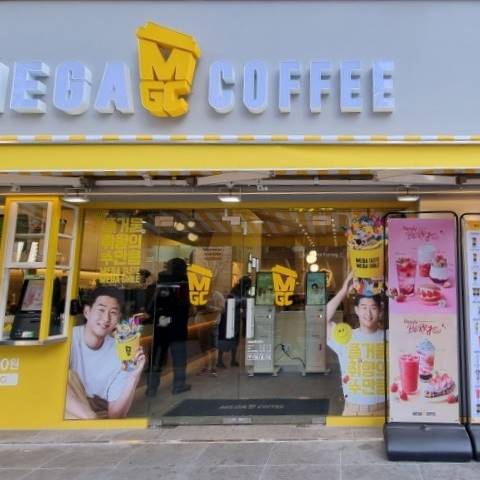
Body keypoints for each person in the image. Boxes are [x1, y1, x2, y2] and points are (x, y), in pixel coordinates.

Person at [66, 286, 145, 419]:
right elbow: (51, 385)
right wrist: (90, 418)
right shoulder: (67, 340)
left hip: (97, 421)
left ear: (118, 318)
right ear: (87, 312)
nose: (106, 318)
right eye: (101, 310)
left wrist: (134, 376)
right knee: (64, 375)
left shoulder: (121, 353)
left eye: (113, 312)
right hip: (69, 417)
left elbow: (115, 415)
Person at [326, 272, 385, 416]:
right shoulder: (346, 337)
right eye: (364, 307)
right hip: (352, 412)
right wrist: (343, 291)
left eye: (373, 308)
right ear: (356, 310)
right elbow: (320, 319)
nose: (368, 313)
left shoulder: (389, 337)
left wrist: (392, 287)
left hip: (385, 412)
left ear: (380, 312)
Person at [146, 258, 191, 397]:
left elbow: (153, 302)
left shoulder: (161, 279)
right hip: (177, 325)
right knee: (179, 356)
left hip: (161, 324)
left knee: (157, 357)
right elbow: (183, 303)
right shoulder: (182, 280)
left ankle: (151, 388)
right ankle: (178, 385)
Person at [217, 276, 252, 368]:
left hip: (236, 319)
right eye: (248, 285)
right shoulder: (234, 292)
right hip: (229, 319)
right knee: (226, 340)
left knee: (235, 340)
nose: (249, 287)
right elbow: (230, 304)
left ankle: (233, 360)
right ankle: (219, 360)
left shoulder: (243, 292)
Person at [195, 289, 225, 376]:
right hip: (202, 324)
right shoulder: (201, 294)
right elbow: (194, 309)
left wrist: (210, 308)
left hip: (212, 324)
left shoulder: (218, 295)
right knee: (204, 347)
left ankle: (213, 368)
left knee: (213, 347)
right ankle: (207, 367)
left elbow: (222, 309)